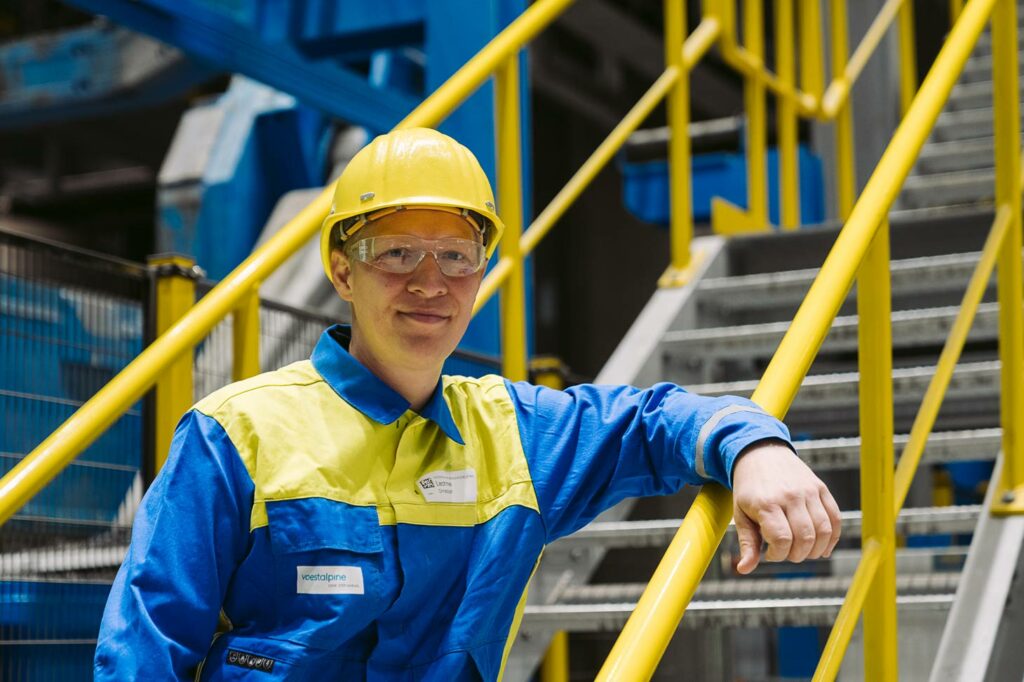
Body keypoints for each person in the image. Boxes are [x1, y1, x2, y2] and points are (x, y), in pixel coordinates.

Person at [94, 127, 840, 681]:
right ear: (340, 269)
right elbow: (147, 644)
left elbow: (654, 419)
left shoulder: (516, 434)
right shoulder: (236, 433)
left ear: (481, 273)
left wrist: (753, 446)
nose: (431, 283)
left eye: (456, 256)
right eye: (396, 253)